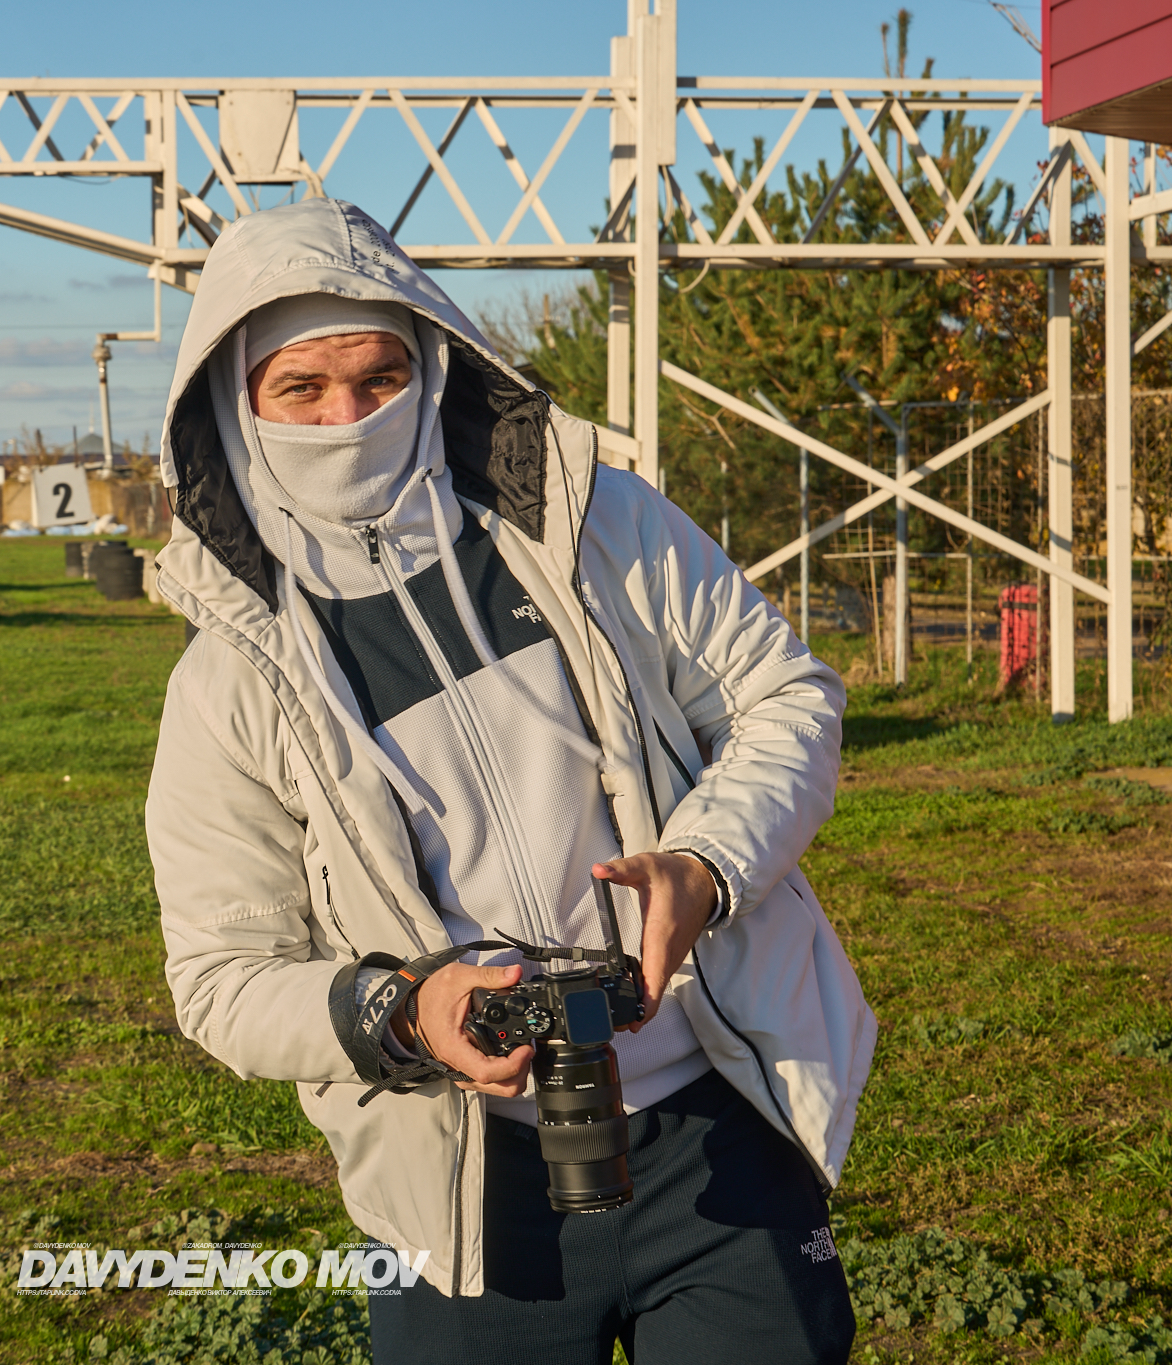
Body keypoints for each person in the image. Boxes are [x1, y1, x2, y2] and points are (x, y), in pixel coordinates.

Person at [144, 199, 875, 1364]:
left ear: (432, 365)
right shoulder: (228, 680)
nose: (347, 418)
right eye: (300, 390)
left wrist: (705, 864)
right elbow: (222, 975)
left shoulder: (598, 528)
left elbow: (785, 698)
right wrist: (404, 1013)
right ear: (235, 410)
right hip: (458, 1192)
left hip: (713, 1122)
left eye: (378, 376)